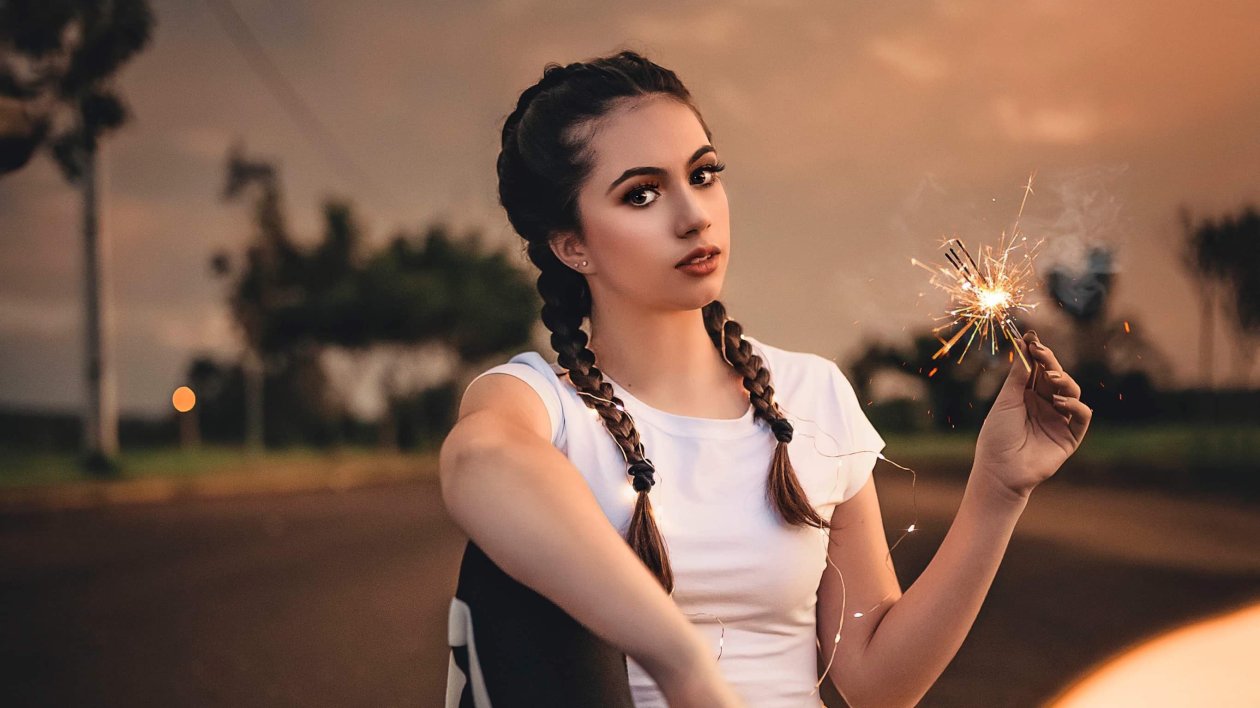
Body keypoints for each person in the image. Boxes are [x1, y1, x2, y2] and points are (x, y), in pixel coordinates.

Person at [439, 50, 1091, 708]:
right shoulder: (538, 404)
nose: (693, 215)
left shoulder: (812, 394)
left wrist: (997, 491)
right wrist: (684, 665)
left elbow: (877, 684)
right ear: (571, 244)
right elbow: (479, 460)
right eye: (641, 193)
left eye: (703, 175)